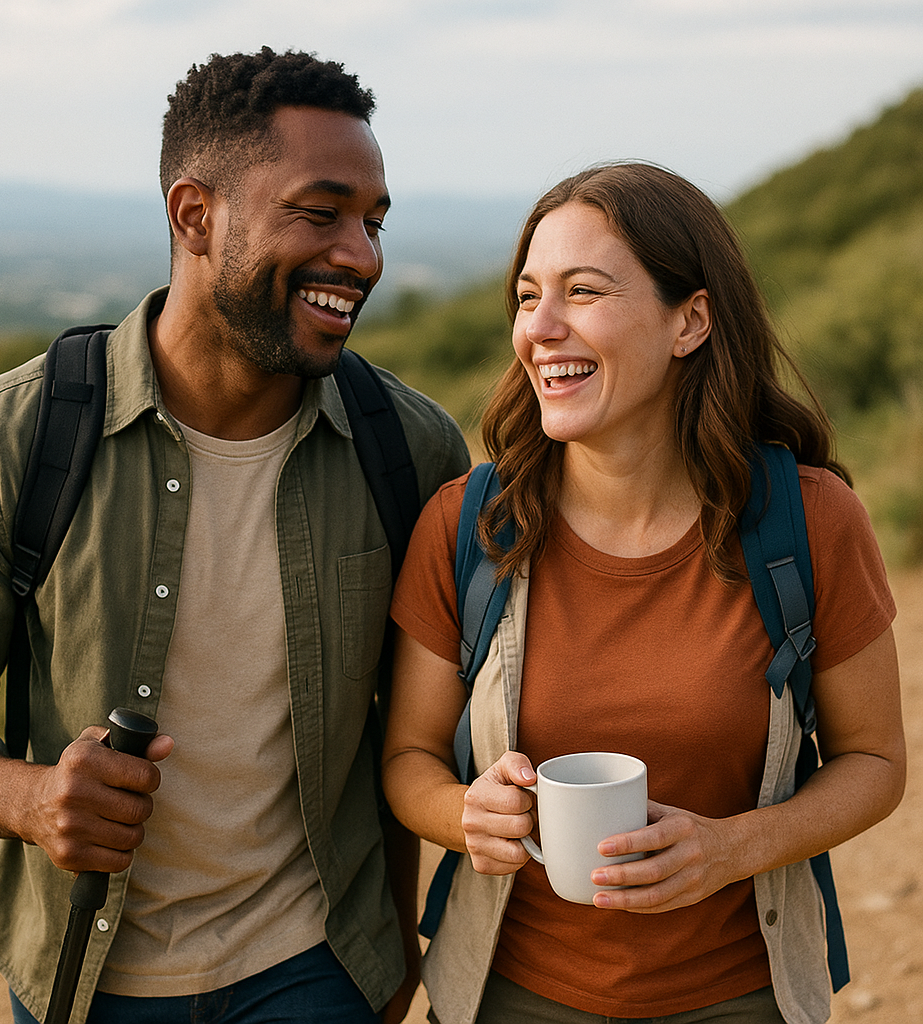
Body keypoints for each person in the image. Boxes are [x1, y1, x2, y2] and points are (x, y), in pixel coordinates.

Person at [0, 48, 469, 1024]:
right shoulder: (9, 437)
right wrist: (33, 800)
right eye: (320, 211)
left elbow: (424, 721)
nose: (362, 255)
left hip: (316, 967)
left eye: (374, 223)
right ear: (194, 215)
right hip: (83, 976)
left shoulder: (409, 449)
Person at [381, 162, 905, 1024]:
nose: (540, 328)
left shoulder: (809, 522)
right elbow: (407, 762)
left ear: (690, 320)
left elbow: (876, 763)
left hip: (742, 998)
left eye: (582, 292)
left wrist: (733, 847)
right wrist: (463, 812)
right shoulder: (468, 526)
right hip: (506, 997)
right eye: (526, 296)